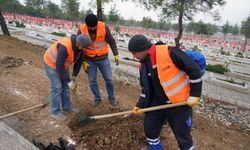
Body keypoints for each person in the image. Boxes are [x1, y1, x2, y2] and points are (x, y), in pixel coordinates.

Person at [128, 34, 202, 150]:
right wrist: (139, 106)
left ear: (142, 50)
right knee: (150, 129)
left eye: (134, 53)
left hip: (177, 103)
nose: (133, 56)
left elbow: (194, 70)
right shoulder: (142, 66)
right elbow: (146, 89)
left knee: (183, 136)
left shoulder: (169, 52)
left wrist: (195, 94)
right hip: (157, 103)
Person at [44, 34, 92, 121]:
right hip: (51, 63)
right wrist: (69, 81)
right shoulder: (65, 46)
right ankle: (55, 111)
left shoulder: (80, 49)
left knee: (66, 87)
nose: (85, 49)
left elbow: (78, 62)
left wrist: (74, 76)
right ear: (78, 44)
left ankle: (66, 107)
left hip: (63, 65)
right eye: (84, 47)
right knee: (57, 87)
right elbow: (59, 65)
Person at [77, 14, 119, 107]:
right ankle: (97, 98)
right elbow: (78, 46)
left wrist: (116, 54)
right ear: (86, 25)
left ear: (97, 23)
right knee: (92, 81)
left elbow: (111, 41)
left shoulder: (103, 27)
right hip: (89, 60)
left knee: (109, 79)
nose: (92, 29)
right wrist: (83, 61)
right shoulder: (81, 29)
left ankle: (111, 97)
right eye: (90, 27)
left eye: (94, 27)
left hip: (103, 58)